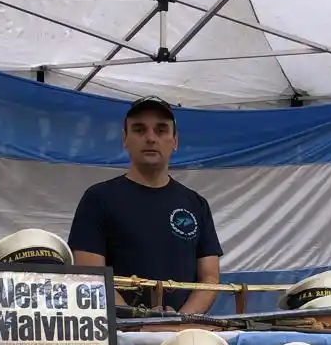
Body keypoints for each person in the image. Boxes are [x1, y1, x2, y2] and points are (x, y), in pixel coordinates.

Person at [69, 97, 222, 314]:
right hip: (121, 338)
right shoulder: (97, 199)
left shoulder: (196, 204)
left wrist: (179, 323)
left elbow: (210, 277)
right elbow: (90, 274)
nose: (150, 138)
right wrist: (138, 322)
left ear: (175, 141)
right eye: (140, 130)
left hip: (184, 337)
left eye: (161, 130)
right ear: (125, 139)